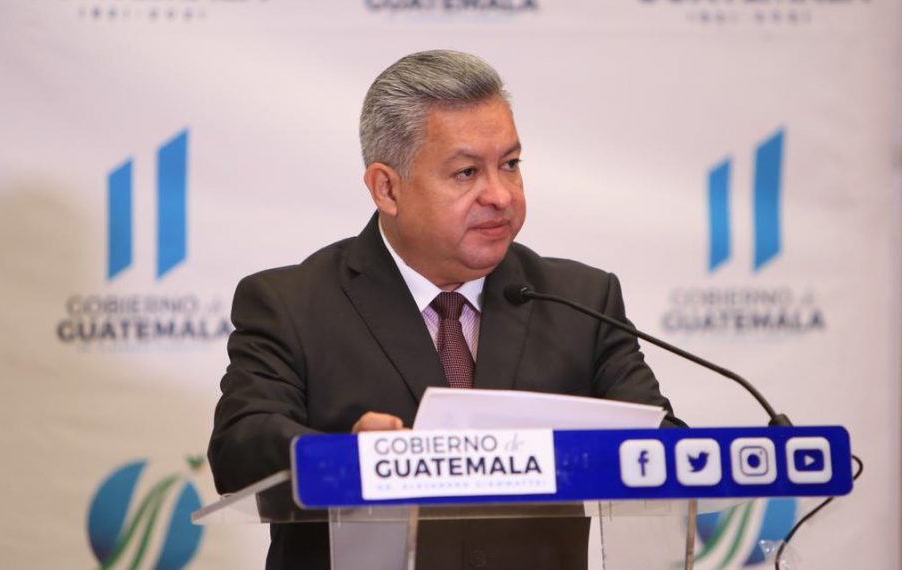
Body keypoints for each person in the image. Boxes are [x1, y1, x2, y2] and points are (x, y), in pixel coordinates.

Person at [208, 49, 682, 570]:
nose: (500, 195)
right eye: (466, 172)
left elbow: (667, 449)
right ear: (387, 188)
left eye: (510, 165)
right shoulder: (291, 305)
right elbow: (239, 449)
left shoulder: (582, 301)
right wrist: (351, 460)